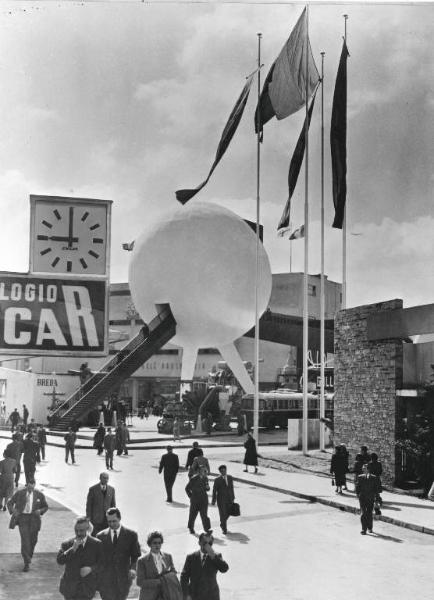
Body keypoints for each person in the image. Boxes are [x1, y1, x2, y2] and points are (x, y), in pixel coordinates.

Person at [96, 507, 141, 600]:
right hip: (106, 581)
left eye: (114, 521)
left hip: (123, 579)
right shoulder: (100, 536)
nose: (112, 524)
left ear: (119, 518)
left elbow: (135, 555)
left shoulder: (131, 535)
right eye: (109, 522)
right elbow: (97, 559)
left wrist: (133, 569)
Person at [57, 516, 104, 600]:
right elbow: (60, 560)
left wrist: (91, 569)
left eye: (81, 531)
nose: (78, 533)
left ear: (87, 529)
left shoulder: (97, 544)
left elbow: (102, 564)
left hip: (87, 589)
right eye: (76, 530)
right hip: (69, 589)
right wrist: (72, 549)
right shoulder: (67, 544)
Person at [7, 479, 48, 571]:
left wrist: (40, 511)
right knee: (25, 541)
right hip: (23, 519)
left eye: (33, 486)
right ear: (27, 485)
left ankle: (29, 556)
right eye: (29, 486)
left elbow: (46, 506)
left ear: (34, 485)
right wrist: (13, 510)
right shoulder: (20, 493)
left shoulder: (39, 495)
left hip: (34, 519)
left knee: (33, 540)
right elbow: (10, 503)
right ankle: (27, 562)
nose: (31, 488)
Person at [180, 531, 229, 600]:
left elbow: (224, 569)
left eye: (210, 543)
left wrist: (213, 555)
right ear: (199, 543)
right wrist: (186, 595)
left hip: (211, 595)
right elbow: (184, 577)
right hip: (194, 595)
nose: (207, 546)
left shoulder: (216, 556)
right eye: (205, 543)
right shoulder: (191, 557)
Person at [136, 530, 182, 600]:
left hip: (166, 595)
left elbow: (173, 572)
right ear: (149, 544)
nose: (157, 545)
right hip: (149, 596)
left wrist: (168, 577)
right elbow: (139, 582)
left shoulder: (168, 556)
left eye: (159, 543)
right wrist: (159, 581)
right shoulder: (142, 561)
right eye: (154, 543)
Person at [355, 463, 381, 535]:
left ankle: (370, 527)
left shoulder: (374, 478)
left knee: (369, 513)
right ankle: (364, 529)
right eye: (362, 468)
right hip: (362, 498)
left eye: (364, 468)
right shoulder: (360, 477)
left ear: (368, 469)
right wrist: (357, 494)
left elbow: (376, 490)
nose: (362, 469)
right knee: (363, 513)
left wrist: (376, 500)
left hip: (370, 498)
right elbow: (357, 487)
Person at [185, 465, 211, 535]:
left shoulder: (205, 478)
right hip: (195, 501)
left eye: (205, 470)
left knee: (204, 515)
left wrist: (208, 488)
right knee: (193, 515)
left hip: (204, 500)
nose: (205, 472)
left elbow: (207, 489)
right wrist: (191, 497)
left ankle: (207, 529)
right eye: (203, 470)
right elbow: (187, 488)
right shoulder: (193, 479)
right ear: (199, 471)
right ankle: (191, 528)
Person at [211, 465, 235, 535]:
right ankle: (224, 529)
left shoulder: (230, 478)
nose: (223, 472)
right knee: (222, 514)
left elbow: (231, 488)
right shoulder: (217, 480)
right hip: (221, 500)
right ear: (220, 472)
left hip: (229, 499)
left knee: (228, 513)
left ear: (226, 470)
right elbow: (214, 490)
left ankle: (222, 523)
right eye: (222, 471)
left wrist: (233, 497)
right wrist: (213, 500)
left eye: (224, 470)